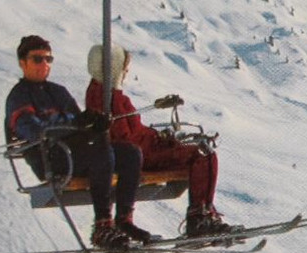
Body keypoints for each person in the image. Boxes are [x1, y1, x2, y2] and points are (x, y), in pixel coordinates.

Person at [4, 35, 143, 252]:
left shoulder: (58, 92)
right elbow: (33, 130)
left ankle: (124, 220)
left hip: (74, 152)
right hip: (51, 158)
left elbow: (79, 123)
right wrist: (73, 123)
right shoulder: (19, 97)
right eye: (38, 59)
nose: (45, 65)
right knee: (99, 150)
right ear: (23, 62)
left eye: (48, 59)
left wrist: (93, 122)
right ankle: (102, 226)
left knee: (130, 154)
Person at [84, 43, 230, 238]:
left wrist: (158, 136)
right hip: (142, 155)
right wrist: (158, 142)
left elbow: (131, 132)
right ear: (115, 68)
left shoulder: (104, 93)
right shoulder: (109, 98)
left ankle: (201, 215)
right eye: (124, 69)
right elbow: (124, 137)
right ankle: (200, 216)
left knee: (202, 152)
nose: (126, 73)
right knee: (203, 154)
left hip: (141, 151)